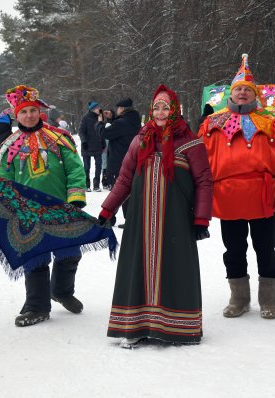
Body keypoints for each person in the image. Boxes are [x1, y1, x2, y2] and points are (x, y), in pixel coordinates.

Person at [98, 85, 213, 348]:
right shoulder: (140, 140)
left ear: (175, 111)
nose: (161, 113)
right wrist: (108, 208)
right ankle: (134, 326)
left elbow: (205, 182)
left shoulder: (191, 142)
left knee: (174, 270)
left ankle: (176, 328)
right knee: (138, 269)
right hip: (140, 221)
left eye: (166, 107)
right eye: (157, 108)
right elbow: (125, 179)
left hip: (176, 221)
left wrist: (202, 219)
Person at [198, 53, 275, 320]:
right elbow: (199, 162)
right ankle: (239, 299)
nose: (242, 93)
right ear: (232, 93)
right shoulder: (211, 123)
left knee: (266, 249)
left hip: (262, 196)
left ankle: (269, 300)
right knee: (233, 250)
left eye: (247, 90)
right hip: (227, 198)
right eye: (238, 89)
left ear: (255, 95)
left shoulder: (271, 123)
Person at [0, 85, 88, 327]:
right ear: (16, 115)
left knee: (70, 253)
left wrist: (75, 197)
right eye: (24, 111)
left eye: (33, 110)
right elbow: (5, 180)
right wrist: (12, 207)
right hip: (28, 211)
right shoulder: (9, 146)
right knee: (35, 258)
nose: (29, 115)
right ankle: (37, 306)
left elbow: (75, 169)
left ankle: (62, 291)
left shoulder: (59, 138)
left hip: (61, 208)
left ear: (40, 111)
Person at [98, 98, 141, 189]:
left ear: (122, 109)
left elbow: (104, 133)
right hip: (131, 162)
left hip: (119, 165)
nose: (117, 110)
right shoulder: (135, 120)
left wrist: (100, 123)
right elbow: (120, 130)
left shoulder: (121, 123)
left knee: (119, 195)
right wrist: (112, 118)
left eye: (118, 108)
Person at [78, 101, 105, 191]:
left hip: (97, 145)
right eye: (98, 108)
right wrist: (84, 141)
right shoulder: (85, 118)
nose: (99, 109)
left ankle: (96, 185)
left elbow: (102, 131)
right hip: (87, 146)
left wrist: (103, 142)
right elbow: (81, 131)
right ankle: (86, 185)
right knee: (86, 167)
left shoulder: (100, 118)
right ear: (93, 109)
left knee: (99, 166)